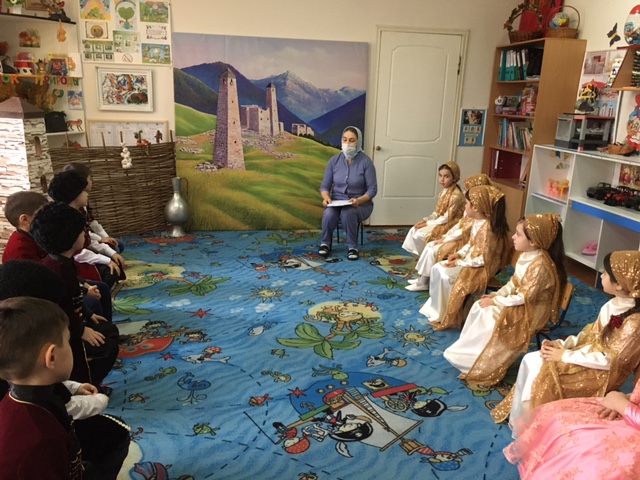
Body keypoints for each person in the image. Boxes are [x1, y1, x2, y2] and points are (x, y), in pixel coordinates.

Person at [492, 250, 640, 425]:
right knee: (531, 359)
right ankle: (520, 417)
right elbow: (590, 334)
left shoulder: (634, 323)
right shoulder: (614, 303)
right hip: (586, 355)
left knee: (543, 370)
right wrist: (562, 344)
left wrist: (564, 355)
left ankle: (532, 424)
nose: (601, 275)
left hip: (600, 373)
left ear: (620, 285)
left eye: (606, 273)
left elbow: (611, 362)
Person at [0, 297, 129, 479]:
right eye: (68, 341)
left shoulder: (24, 392)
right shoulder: (41, 441)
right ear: (51, 357)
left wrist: (75, 388)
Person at [443, 214, 566, 386]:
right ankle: (467, 354)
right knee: (479, 306)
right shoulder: (526, 255)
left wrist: (496, 302)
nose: (513, 237)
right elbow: (514, 282)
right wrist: (497, 295)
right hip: (520, 302)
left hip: (532, 310)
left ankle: (484, 364)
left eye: (518, 234)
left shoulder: (540, 266)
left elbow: (524, 297)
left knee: (489, 316)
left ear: (534, 242)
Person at [30, 201, 119, 387]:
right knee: (107, 348)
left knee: (109, 330)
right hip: (63, 331)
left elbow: (74, 297)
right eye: (81, 232)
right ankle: (86, 385)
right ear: (70, 238)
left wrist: (88, 314)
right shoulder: (56, 271)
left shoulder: (62, 261)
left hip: (76, 320)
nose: (84, 235)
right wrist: (81, 330)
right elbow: (61, 309)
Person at [1, 190, 111, 321]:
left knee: (102, 288)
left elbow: (64, 268)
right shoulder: (19, 248)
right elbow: (43, 283)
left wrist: (85, 285)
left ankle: (104, 325)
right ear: (24, 219)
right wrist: (84, 290)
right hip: (36, 300)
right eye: (41, 214)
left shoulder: (38, 234)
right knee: (92, 302)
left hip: (56, 281)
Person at [419, 185, 510, 330]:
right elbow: (471, 244)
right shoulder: (477, 222)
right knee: (437, 268)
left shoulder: (488, 229)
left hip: (481, 268)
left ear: (476, 208)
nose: (465, 206)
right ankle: (436, 308)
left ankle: (447, 313)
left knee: (446, 275)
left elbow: (484, 259)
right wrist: (459, 254)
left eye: (467, 203)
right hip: (470, 260)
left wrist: (459, 262)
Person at [503, 385, 640, 478]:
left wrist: (619, 403)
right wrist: (624, 397)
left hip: (632, 421)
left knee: (591, 455)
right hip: (629, 409)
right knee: (558, 415)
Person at [406, 173, 493, 292]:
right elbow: (460, 224)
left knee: (433, 249)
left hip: (462, 241)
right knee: (431, 245)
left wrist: (446, 240)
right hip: (459, 239)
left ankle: (424, 281)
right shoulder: (470, 209)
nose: (463, 192)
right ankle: (423, 278)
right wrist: (445, 236)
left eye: (466, 190)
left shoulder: (479, 217)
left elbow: (464, 232)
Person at [48, 170, 125, 287]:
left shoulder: (75, 212)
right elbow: (78, 252)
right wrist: (106, 259)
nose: (87, 194)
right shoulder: (66, 220)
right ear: (74, 195)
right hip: (76, 261)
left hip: (84, 253)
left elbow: (88, 238)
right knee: (110, 273)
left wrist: (107, 250)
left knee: (116, 253)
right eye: (83, 191)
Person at [318, 126, 377, 261]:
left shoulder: (366, 162)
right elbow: (325, 186)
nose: (347, 143)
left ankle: (352, 247)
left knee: (348, 212)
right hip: (337, 201)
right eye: (344, 140)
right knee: (329, 213)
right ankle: (325, 244)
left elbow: (372, 189)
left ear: (358, 142)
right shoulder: (334, 161)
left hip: (361, 203)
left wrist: (359, 200)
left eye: (351, 140)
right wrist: (326, 198)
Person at [401, 162, 464, 257]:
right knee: (414, 229)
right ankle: (419, 256)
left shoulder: (456, 196)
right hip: (440, 220)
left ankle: (425, 256)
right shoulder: (443, 192)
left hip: (450, 223)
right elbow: (437, 212)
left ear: (454, 178)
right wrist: (426, 219)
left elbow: (447, 217)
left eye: (446, 176)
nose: (442, 179)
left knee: (420, 235)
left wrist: (428, 223)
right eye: (440, 175)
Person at [63, 162, 125, 256]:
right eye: (90, 178)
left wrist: (106, 237)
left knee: (119, 244)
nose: (92, 181)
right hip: (82, 245)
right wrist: (101, 240)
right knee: (114, 249)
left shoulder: (83, 200)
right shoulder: (72, 208)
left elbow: (92, 222)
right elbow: (84, 234)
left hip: (89, 239)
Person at [1, 191, 48, 263]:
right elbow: (40, 269)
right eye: (43, 213)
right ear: (25, 219)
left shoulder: (32, 235)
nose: (48, 216)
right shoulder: (19, 249)